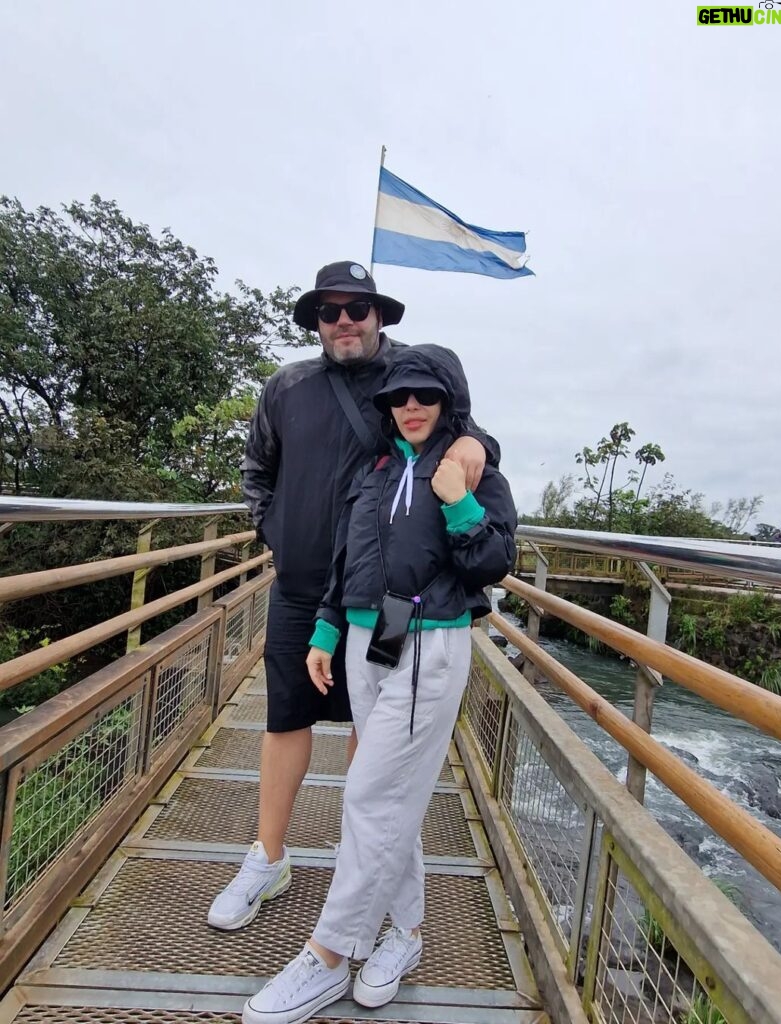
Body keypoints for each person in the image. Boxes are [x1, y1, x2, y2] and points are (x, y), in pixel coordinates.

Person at [207, 262, 498, 932]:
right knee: (285, 716)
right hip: (305, 586)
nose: (344, 321)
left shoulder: (411, 377)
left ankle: (359, 859)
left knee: (376, 720)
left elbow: (472, 439)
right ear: (314, 321)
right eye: (329, 310)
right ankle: (268, 856)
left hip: (392, 599)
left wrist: (475, 446)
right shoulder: (286, 387)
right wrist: (274, 528)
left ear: (380, 316)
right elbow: (259, 467)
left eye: (357, 308)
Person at [242, 344, 517, 1024]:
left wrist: (455, 503)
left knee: (367, 793)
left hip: (429, 637)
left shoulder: (472, 471)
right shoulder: (377, 469)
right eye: (399, 397)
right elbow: (348, 558)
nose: (411, 406)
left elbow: (493, 561)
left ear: (448, 400)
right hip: (373, 632)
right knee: (392, 798)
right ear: (386, 408)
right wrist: (328, 629)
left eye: (425, 395)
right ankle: (406, 934)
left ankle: (329, 954)